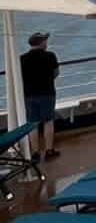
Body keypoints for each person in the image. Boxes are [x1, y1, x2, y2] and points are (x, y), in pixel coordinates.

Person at [20, 32, 59, 162]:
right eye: (45, 40)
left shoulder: (22, 59)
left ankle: (35, 153)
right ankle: (49, 150)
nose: (47, 43)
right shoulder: (50, 56)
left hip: (29, 95)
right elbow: (56, 73)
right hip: (47, 93)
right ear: (41, 43)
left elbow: (20, 77)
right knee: (48, 121)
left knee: (33, 123)